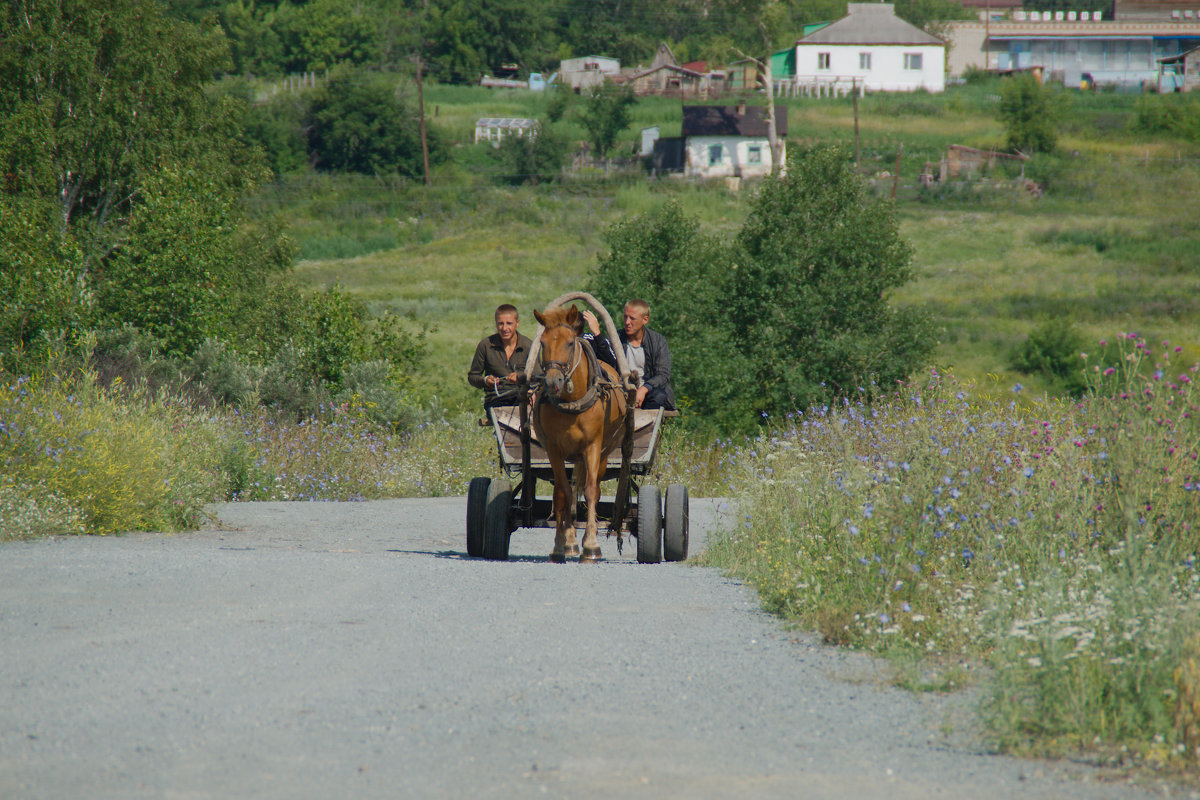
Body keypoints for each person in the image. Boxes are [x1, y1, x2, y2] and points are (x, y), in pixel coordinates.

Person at [467, 304, 532, 413]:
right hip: (496, 399)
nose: (505, 328)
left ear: (517, 323)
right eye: (500, 324)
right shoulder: (485, 345)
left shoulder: (528, 346)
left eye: (509, 323)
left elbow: (540, 378)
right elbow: (473, 376)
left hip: (522, 398)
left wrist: (521, 377)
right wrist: (486, 380)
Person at [617, 299, 675, 410]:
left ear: (645, 320)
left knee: (659, 396)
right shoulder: (615, 339)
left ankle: (648, 426)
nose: (627, 322)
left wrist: (643, 389)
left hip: (647, 392)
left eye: (632, 318)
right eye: (625, 317)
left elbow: (663, 374)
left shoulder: (658, 341)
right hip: (620, 391)